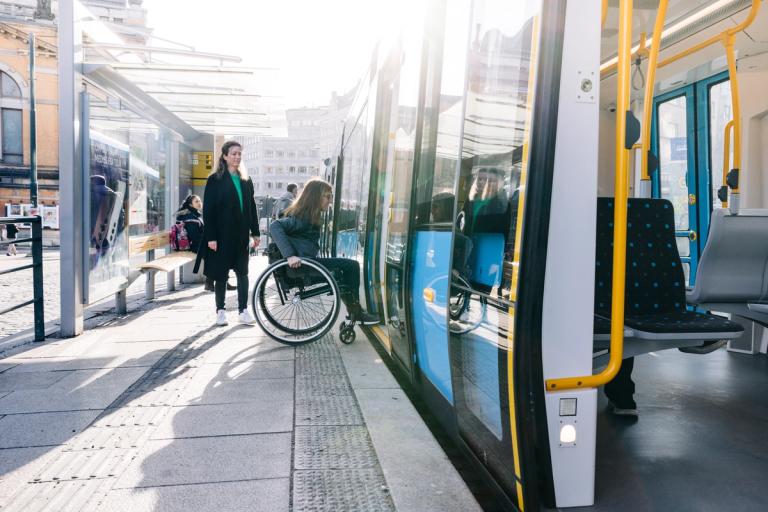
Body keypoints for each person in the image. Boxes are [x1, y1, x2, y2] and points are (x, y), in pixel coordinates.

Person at [269, 179, 379, 325]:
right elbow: (275, 226)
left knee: (343, 272)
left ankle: (355, 311)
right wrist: (290, 255)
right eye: (328, 196)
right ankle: (356, 312)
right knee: (352, 266)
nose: (330, 200)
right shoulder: (303, 217)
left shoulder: (306, 214)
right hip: (303, 266)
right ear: (316, 197)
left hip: (305, 264)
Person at [197, 140, 261, 326]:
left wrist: (255, 233)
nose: (237, 157)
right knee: (221, 275)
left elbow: (251, 208)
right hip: (222, 235)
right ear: (225, 156)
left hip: (241, 236)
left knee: (243, 273)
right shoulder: (214, 180)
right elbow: (208, 210)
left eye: (239, 154)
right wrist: (211, 237)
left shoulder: (246, 180)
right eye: (233, 153)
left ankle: (243, 311)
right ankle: (221, 311)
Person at [176, 194, 232, 293]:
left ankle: (217, 282)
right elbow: (195, 237)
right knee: (218, 254)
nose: (199, 203)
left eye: (200, 201)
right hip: (193, 246)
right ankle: (213, 283)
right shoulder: (189, 216)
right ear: (190, 204)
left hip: (199, 244)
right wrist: (209, 241)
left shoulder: (195, 214)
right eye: (196, 201)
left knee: (221, 252)